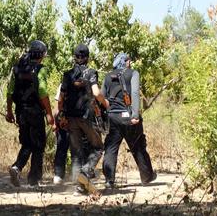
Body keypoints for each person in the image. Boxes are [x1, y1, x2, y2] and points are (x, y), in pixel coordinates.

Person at [57, 44, 109, 195]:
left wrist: (61, 115)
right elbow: (96, 92)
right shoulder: (91, 72)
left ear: (74, 57)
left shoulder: (67, 75)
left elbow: (61, 98)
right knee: (98, 147)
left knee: (77, 152)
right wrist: (106, 103)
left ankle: (78, 188)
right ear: (88, 57)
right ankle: (85, 174)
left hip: (71, 118)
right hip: (87, 117)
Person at [101, 53, 156, 189]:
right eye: (128, 60)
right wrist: (135, 114)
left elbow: (101, 96)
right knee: (137, 145)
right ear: (125, 62)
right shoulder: (133, 73)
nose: (129, 62)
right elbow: (135, 93)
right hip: (129, 117)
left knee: (111, 148)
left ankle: (109, 180)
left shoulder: (108, 76)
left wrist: (106, 115)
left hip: (113, 117)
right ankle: (147, 177)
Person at [5, 40, 55, 187]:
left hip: (20, 111)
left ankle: (17, 167)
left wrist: (9, 111)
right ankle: (34, 180)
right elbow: (43, 93)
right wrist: (49, 114)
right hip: (35, 112)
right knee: (39, 145)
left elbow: (9, 91)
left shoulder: (17, 69)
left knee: (27, 143)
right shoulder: (40, 69)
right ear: (42, 55)